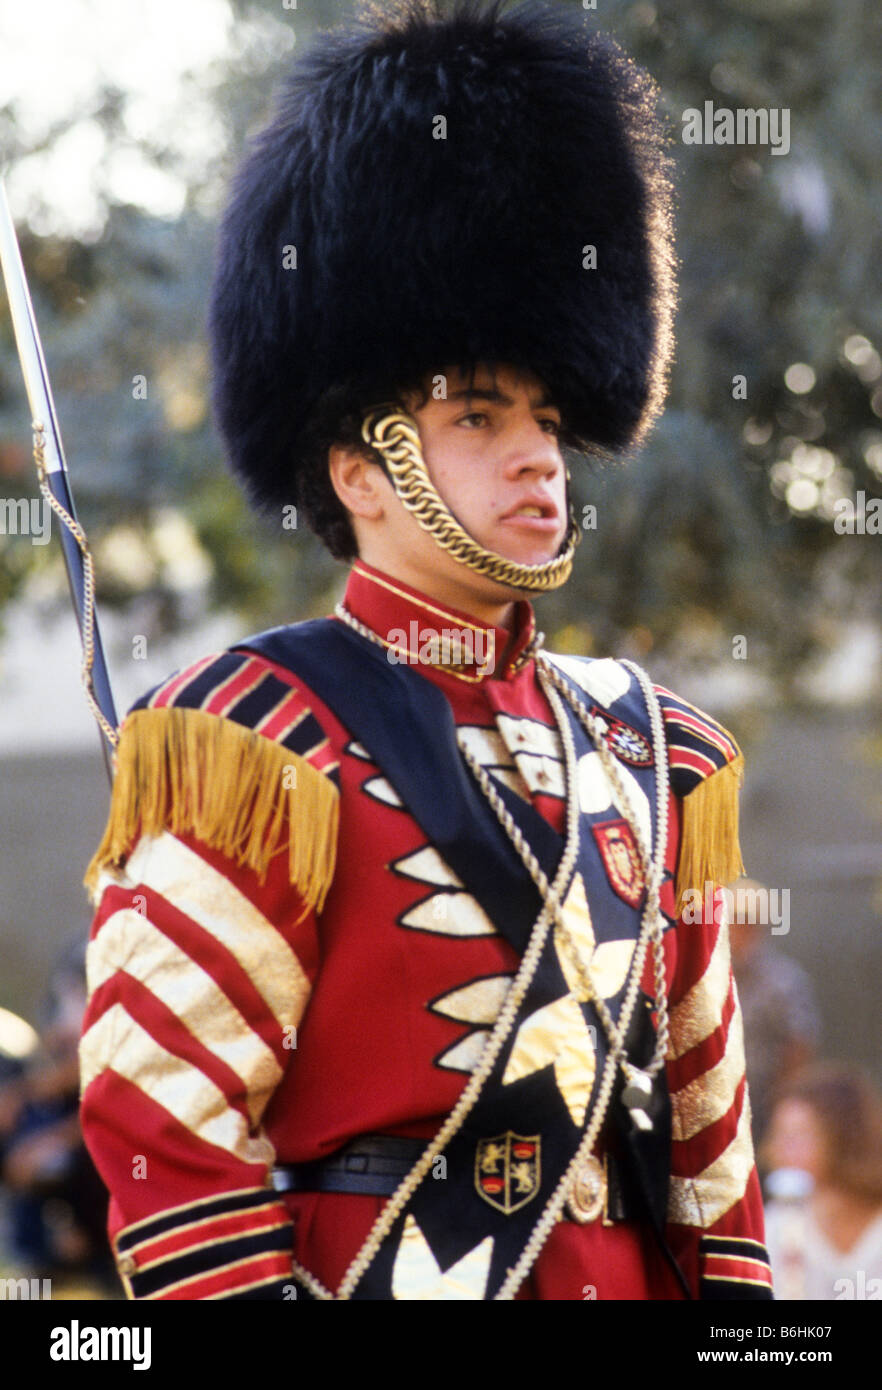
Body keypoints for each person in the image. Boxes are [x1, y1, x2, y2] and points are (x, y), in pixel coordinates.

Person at [78, 0, 773, 1300]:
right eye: (474, 412)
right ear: (361, 469)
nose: (533, 453)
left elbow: (711, 1168)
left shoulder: (653, 752)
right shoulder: (250, 743)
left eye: (549, 413)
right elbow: (166, 1139)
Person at [762, 1064, 882, 1300]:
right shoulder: (776, 1225)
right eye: (779, 1137)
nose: (774, 1151)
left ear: (843, 1139)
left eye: (795, 1138)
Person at [729, 878, 821, 1152]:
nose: (741, 931)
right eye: (736, 921)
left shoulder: (782, 981)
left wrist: (780, 1110)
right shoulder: (706, 979)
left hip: (761, 1109)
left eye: (750, 922)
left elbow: (799, 1046)